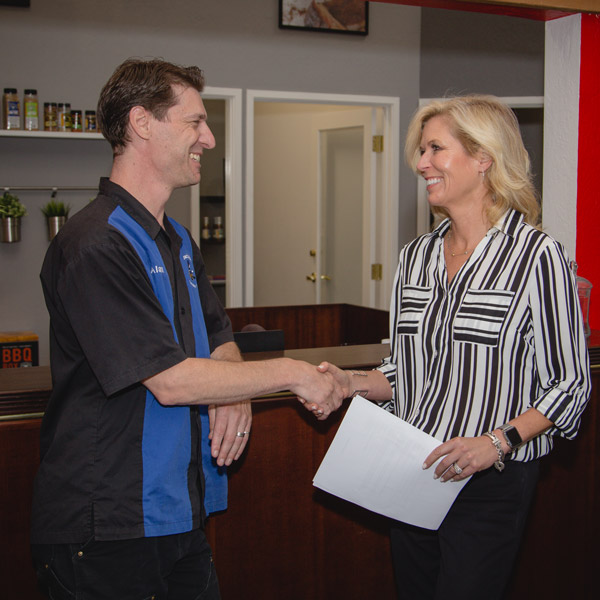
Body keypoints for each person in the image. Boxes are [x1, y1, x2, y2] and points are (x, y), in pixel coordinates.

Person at [30, 58, 344, 600]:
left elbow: (219, 337)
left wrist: (234, 391)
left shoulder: (176, 238)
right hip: (107, 524)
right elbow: (170, 380)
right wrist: (293, 373)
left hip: (179, 512)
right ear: (141, 123)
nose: (209, 138)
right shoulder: (96, 243)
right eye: (195, 122)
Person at [320, 94, 591, 599]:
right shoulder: (415, 258)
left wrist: (495, 442)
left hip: (492, 480)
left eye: (435, 149)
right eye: (422, 151)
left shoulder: (537, 256)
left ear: (483, 156)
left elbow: (570, 385)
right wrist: (348, 382)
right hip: (413, 471)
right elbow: (406, 372)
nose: (421, 164)